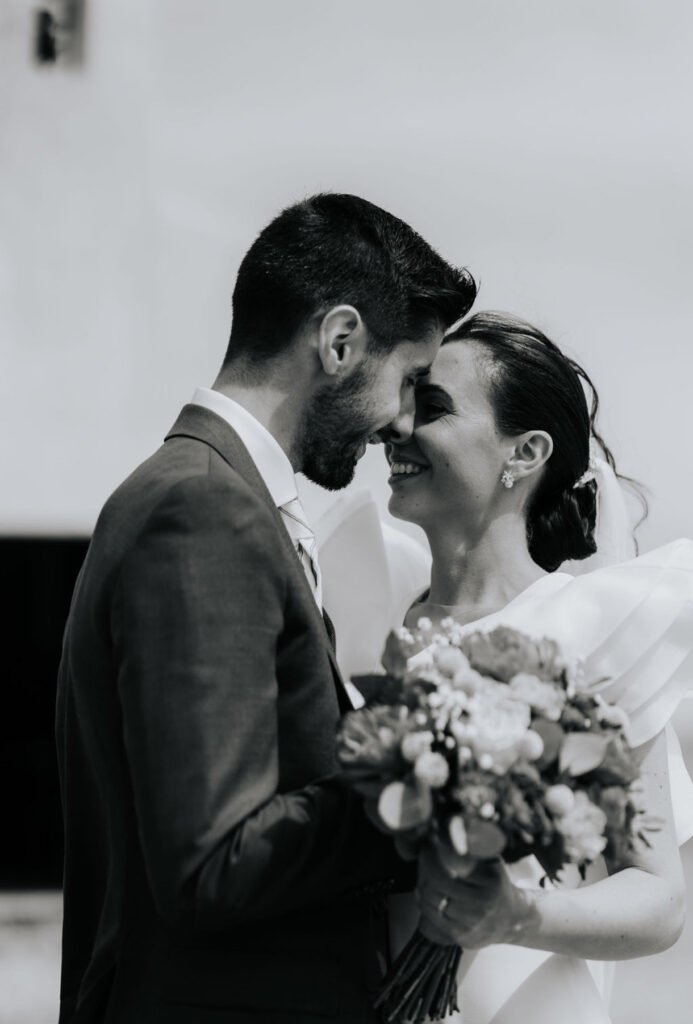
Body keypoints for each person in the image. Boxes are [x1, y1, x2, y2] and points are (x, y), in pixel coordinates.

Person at [55, 193, 477, 1024]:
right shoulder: (204, 511)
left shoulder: (199, 493)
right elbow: (212, 860)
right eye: (408, 381)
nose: (399, 422)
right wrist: (431, 788)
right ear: (340, 340)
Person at [379, 311, 691, 1023]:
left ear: (523, 453)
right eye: (404, 397)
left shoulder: (591, 632)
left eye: (429, 407)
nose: (395, 427)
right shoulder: (366, 605)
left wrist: (514, 917)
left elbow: (658, 897)